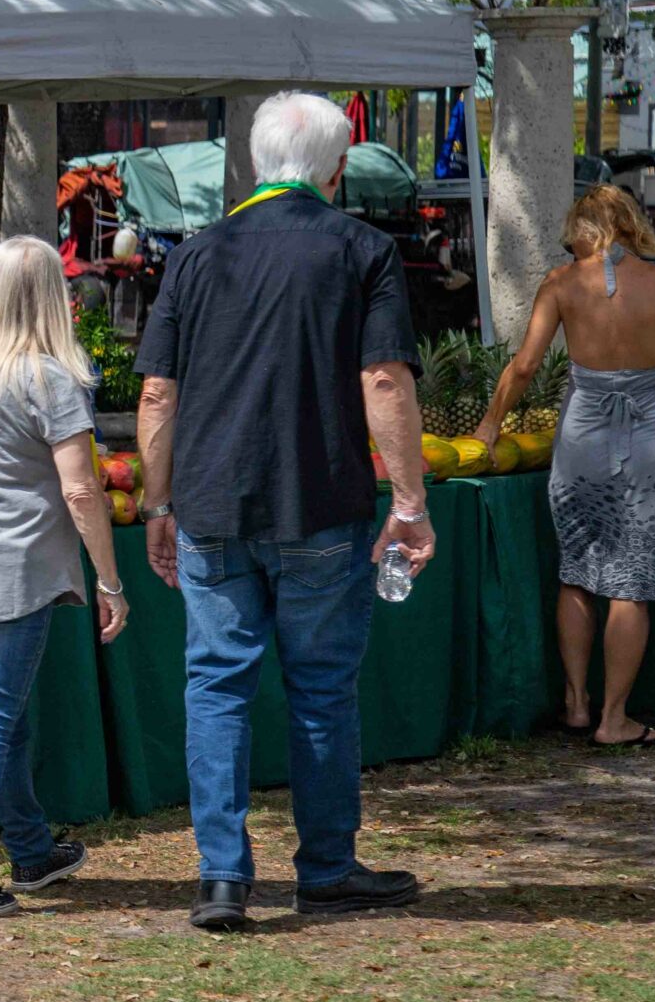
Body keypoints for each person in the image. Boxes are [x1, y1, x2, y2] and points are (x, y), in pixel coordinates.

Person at [136, 91, 434, 933]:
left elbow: (158, 392)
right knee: (321, 689)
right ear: (336, 169)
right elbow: (385, 379)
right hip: (322, 503)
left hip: (211, 500)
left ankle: (222, 876)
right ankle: (327, 867)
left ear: (256, 165)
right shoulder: (361, 248)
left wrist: (156, 501)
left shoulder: (195, 254)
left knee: (217, 686)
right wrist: (409, 501)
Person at [0, 236, 128, 919]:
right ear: (52, 299)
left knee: (3, 721)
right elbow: (81, 491)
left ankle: (32, 850)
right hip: (15, 570)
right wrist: (110, 579)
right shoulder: (48, 376)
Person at [474, 186, 655, 746]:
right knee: (630, 583)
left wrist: (490, 425)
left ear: (583, 229)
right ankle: (616, 718)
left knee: (578, 571)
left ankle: (577, 704)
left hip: (582, 438)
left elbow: (523, 366)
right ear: (632, 224)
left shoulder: (561, 285)